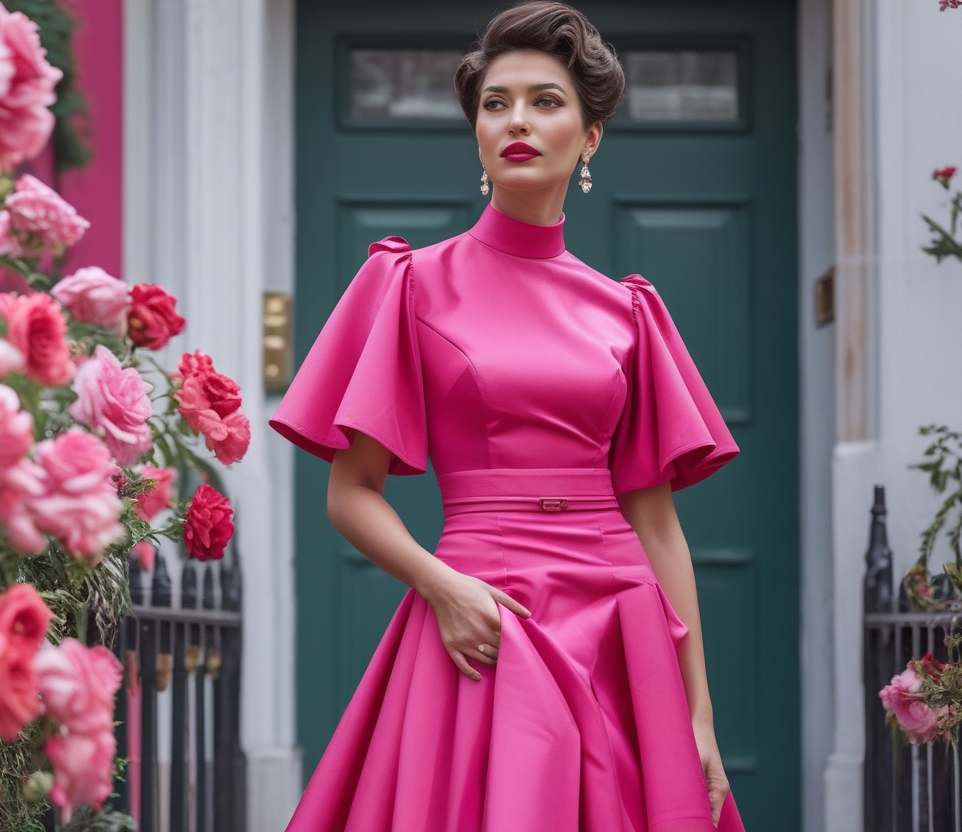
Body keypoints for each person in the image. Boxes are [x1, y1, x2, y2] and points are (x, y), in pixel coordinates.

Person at [268, 3, 747, 830]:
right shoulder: (412, 284)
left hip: (618, 616)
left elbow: (657, 525)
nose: (517, 120)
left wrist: (698, 718)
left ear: (590, 137)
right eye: (496, 103)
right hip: (485, 612)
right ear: (478, 133)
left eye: (545, 101)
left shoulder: (628, 312)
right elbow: (351, 493)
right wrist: (444, 588)